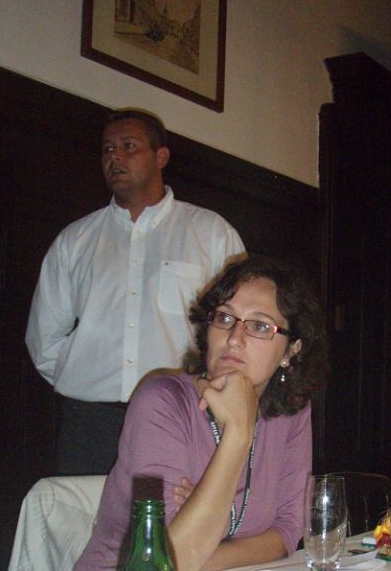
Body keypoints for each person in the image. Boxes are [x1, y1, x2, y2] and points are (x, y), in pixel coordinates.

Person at [69, 255, 327, 571]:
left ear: (291, 350)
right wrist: (238, 435)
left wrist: (201, 534)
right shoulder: (162, 402)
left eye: (260, 326)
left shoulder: (291, 410)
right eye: (225, 317)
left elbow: (287, 533)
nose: (234, 338)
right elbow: (170, 568)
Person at [26, 109, 245, 475]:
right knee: (86, 511)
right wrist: (89, 375)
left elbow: (239, 327)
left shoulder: (211, 235)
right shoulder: (75, 241)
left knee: (172, 512)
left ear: (161, 157)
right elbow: (44, 339)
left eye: (129, 146)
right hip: (89, 424)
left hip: (178, 415)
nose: (115, 156)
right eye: (107, 148)